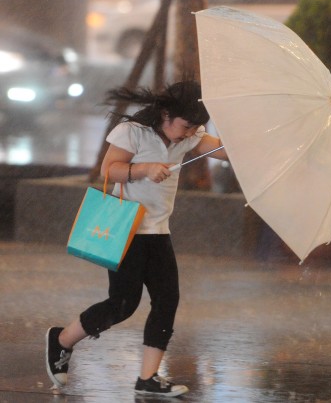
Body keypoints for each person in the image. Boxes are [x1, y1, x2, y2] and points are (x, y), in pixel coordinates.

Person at [45, 80, 228, 397]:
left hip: (159, 231)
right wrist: (143, 169)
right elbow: (108, 170)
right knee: (122, 305)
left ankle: (148, 378)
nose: (189, 133)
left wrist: (251, 149)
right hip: (127, 229)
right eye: (185, 125)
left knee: (167, 300)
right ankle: (61, 340)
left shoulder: (189, 137)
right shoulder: (133, 131)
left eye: (195, 128)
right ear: (167, 114)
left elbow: (223, 150)